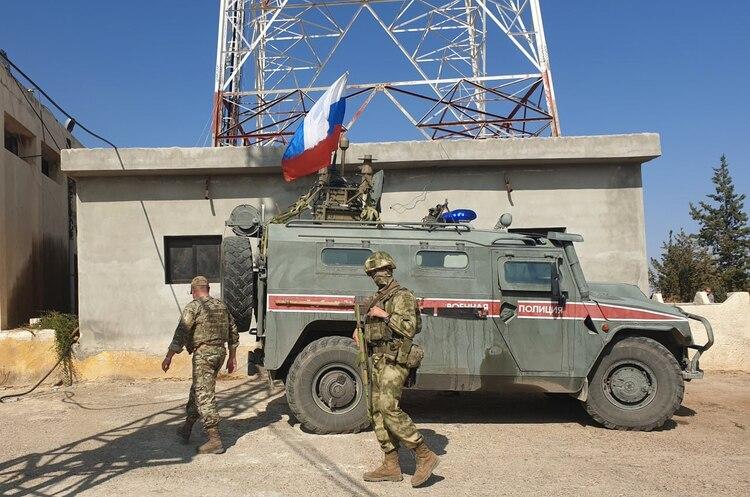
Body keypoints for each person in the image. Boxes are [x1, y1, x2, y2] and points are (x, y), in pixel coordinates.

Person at [355, 251, 440, 487]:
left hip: (395, 360)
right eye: (373, 273)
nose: (377, 276)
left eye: (380, 271)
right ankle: (391, 465)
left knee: (388, 407)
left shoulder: (402, 296)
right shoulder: (376, 297)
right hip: (377, 359)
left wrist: (384, 315)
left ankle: (424, 455)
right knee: (375, 411)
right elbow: (372, 326)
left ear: (390, 270)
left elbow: (409, 329)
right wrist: (361, 330)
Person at [162, 275, 239, 454]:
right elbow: (233, 332)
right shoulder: (222, 306)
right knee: (197, 390)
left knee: (204, 394)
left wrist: (169, 356)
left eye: (192, 293)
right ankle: (187, 428)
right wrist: (232, 357)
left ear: (194, 291)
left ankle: (215, 440)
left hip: (204, 354)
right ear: (208, 289)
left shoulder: (194, 306)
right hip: (220, 353)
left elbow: (181, 332)